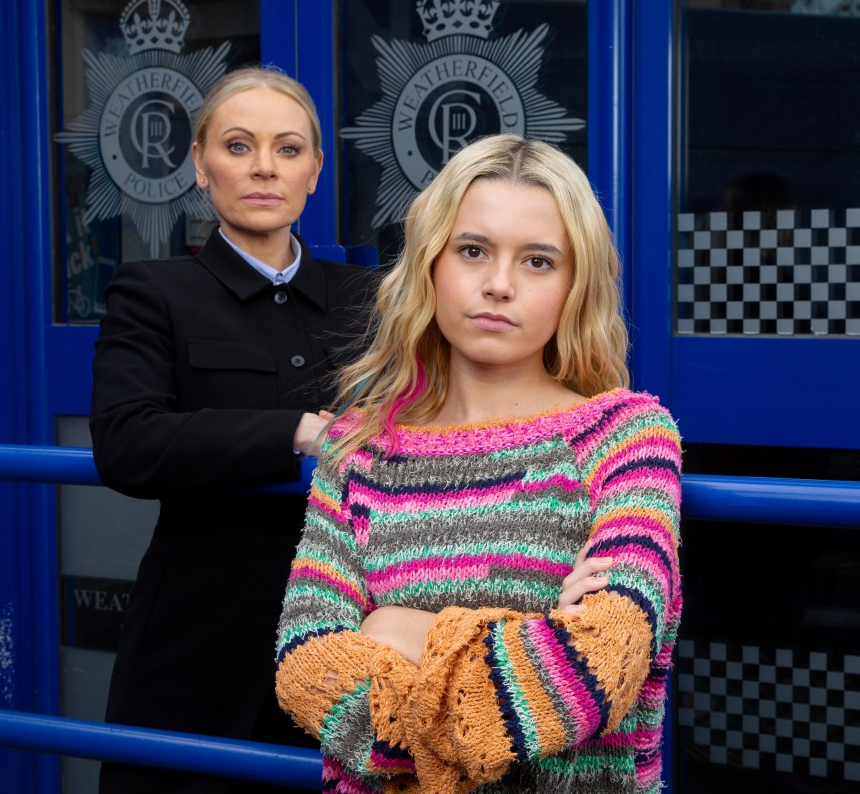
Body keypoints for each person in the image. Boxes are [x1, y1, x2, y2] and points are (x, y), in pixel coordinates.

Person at [275, 135, 682, 793]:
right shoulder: (357, 451)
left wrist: (396, 629)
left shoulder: (625, 436)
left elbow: (605, 662)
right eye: (473, 251)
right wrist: (537, 638)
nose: (498, 285)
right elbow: (305, 666)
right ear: (431, 262)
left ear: (575, 286)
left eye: (539, 262)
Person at [90, 65, 377, 793]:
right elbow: (127, 441)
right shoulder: (154, 292)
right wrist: (297, 434)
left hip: (347, 629)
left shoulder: (371, 299)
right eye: (239, 145)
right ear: (199, 163)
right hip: (199, 637)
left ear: (314, 171)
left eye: (287, 149)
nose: (262, 168)